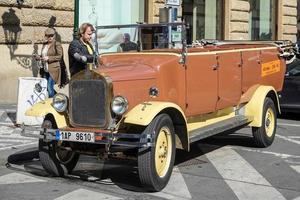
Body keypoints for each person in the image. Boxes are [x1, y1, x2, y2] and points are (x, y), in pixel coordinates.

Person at [35, 28, 63, 97]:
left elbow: (60, 56)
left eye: (51, 35)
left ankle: (52, 104)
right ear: (46, 36)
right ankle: (58, 99)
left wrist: (49, 58)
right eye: (48, 36)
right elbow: (44, 55)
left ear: (54, 36)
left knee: (50, 87)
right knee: (47, 88)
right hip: (45, 69)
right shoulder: (44, 44)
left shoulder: (57, 44)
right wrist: (39, 57)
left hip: (53, 69)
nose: (50, 37)